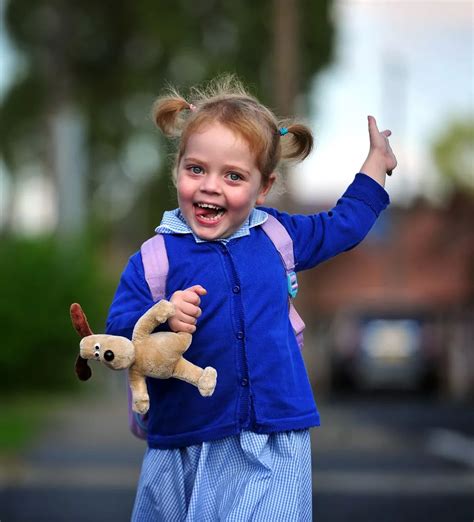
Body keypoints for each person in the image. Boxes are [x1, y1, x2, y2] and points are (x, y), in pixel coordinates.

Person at [106, 75, 397, 521]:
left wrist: (376, 164)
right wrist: (160, 319)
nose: (210, 186)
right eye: (196, 169)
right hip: (185, 439)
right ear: (177, 169)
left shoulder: (278, 235)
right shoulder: (155, 257)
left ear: (263, 187)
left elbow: (344, 224)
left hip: (273, 434)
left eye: (234, 176)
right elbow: (118, 337)